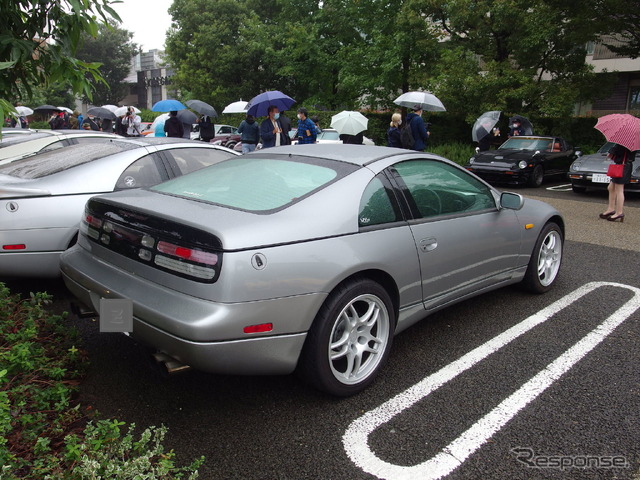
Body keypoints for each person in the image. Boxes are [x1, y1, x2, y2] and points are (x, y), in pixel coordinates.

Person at [600, 144, 635, 222]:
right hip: (622, 166)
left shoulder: (626, 143)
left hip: (623, 166)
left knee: (619, 190)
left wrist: (612, 150)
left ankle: (619, 212)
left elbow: (617, 151)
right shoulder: (631, 141)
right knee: (611, 187)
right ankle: (611, 209)